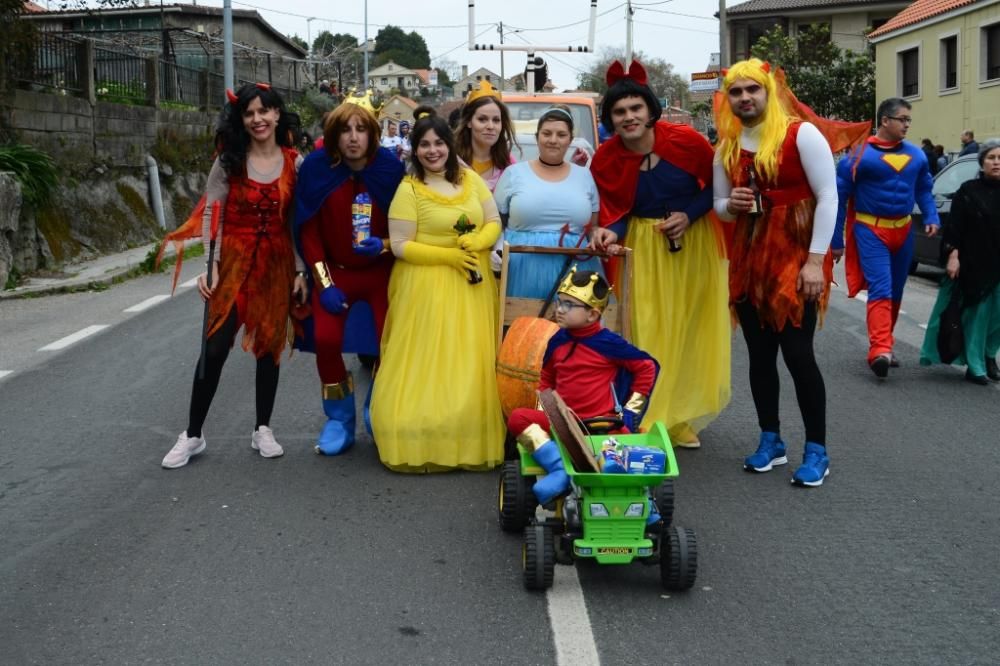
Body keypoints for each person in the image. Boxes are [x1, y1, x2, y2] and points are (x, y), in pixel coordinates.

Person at [713, 58, 869, 487]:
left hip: (796, 254)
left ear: (769, 91)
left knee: (798, 355)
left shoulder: (802, 134)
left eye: (752, 90)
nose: (745, 98)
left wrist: (816, 261)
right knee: (760, 356)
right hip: (749, 261)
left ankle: (817, 449)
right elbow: (719, 208)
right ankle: (771, 440)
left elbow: (828, 197)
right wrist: (733, 206)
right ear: (729, 99)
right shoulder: (726, 145)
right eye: (736, 92)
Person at [158, 82, 306, 469]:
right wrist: (210, 264)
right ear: (241, 118)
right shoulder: (229, 159)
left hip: (276, 264)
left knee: (269, 347)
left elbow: (297, 221)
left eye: (264, 111)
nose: (257, 119)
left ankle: (263, 428)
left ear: (277, 114)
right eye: (249, 113)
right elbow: (212, 212)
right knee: (214, 349)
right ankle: (192, 434)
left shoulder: (295, 162)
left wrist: (301, 270)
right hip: (234, 263)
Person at [590, 59, 730, 449]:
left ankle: (679, 417)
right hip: (641, 250)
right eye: (619, 112)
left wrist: (689, 215)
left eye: (636, 108)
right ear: (610, 119)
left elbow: (714, 189)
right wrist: (607, 231)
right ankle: (645, 414)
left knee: (687, 330)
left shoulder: (688, 141)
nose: (629, 117)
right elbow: (616, 211)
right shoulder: (606, 158)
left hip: (693, 244)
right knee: (645, 331)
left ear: (651, 109)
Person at [370, 106, 505, 472]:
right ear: (414, 151)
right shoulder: (409, 189)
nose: (433, 151)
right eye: (424, 145)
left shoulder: (469, 180)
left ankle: (463, 434)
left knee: (467, 359)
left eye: (439, 143)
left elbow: (493, 221)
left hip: (472, 286)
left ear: (449, 144)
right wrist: (448, 257)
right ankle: (418, 436)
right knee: (426, 359)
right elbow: (399, 245)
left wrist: (478, 243)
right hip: (425, 286)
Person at [293, 97, 405, 455]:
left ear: (373, 134)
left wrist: (385, 245)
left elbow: (407, 224)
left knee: (389, 344)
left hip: (382, 272)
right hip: (335, 273)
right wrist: (323, 283)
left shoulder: (390, 169)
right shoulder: (316, 169)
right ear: (334, 134)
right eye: (345, 130)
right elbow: (308, 232)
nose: (353, 138)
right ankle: (339, 418)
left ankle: (378, 408)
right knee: (326, 340)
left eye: (361, 129)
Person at [507, 269, 658, 511]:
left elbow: (647, 367)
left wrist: (631, 411)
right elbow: (547, 379)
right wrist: (545, 411)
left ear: (592, 314)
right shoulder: (558, 340)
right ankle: (559, 469)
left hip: (602, 423)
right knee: (518, 418)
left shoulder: (609, 343)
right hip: (563, 422)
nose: (560, 309)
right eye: (559, 301)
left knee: (628, 458)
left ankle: (642, 507)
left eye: (569, 304)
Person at [832, 97, 940, 378]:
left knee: (896, 289)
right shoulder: (857, 156)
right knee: (881, 287)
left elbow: (924, 189)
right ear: (885, 120)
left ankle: (884, 343)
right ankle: (880, 348)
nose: (906, 124)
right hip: (870, 229)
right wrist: (836, 240)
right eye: (902, 119)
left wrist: (931, 216)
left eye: (908, 120)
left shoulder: (916, 156)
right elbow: (838, 198)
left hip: (903, 230)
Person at [493, 106, 600, 299]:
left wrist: (597, 236)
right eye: (547, 133)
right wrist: (497, 249)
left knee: (575, 327)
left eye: (561, 134)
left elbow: (592, 228)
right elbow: (495, 222)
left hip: (576, 273)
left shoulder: (584, 176)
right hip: (521, 271)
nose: (553, 140)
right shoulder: (513, 174)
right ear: (537, 137)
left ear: (570, 140)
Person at [919, 140, 1000, 384]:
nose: (997, 162)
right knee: (978, 317)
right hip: (975, 263)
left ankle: (989, 356)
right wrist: (953, 256)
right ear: (982, 162)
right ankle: (975, 365)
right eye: (992, 158)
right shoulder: (968, 190)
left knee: (997, 318)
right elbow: (955, 228)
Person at [454, 80, 517, 191]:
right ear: (469, 122)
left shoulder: (509, 165)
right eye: (482, 119)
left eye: (496, 120)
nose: (490, 126)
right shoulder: (451, 161)